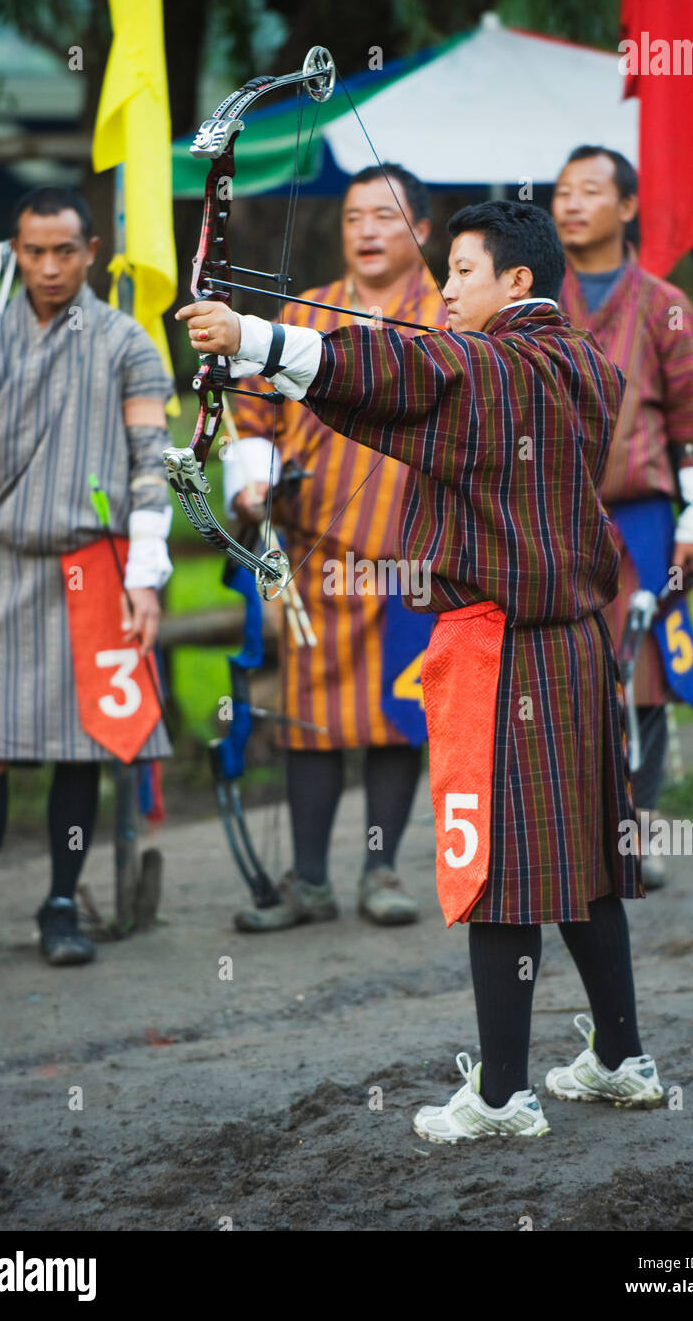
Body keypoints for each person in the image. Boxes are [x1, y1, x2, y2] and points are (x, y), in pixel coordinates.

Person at [175, 200, 666, 1144]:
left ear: (517, 283)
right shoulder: (585, 368)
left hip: (509, 650)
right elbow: (413, 382)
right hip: (568, 646)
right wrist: (265, 356)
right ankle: (619, 1058)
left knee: (501, 868)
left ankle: (500, 1097)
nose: (443, 292)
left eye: (463, 274)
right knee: (584, 863)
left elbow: (396, 367)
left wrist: (254, 337)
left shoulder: (495, 368)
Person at [0, 187, 173, 972]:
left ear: (92, 251)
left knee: (80, 748)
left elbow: (151, 465)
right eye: (34, 251)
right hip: (4, 559)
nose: (49, 267)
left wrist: (145, 575)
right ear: (15, 250)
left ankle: (60, 907)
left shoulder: (125, 342)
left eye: (64, 251)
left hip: (92, 566)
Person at [223, 165, 446, 932]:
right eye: (354, 216)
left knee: (398, 716)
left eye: (385, 215)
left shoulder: (446, 322)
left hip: (414, 563)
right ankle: (309, 881)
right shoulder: (301, 314)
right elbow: (250, 417)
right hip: (316, 558)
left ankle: (380, 872)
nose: (367, 230)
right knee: (310, 719)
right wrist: (252, 487)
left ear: (420, 226)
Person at [552, 146, 693, 888]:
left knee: (643, 672)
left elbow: (690, 415)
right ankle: (570, 836)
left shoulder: (663, 303)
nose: (569, 204)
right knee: (562, 670)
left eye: (589, 191)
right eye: (561, 192)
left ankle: (639, 834)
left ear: (626, 208)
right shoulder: (533, 295)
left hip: (645, 517)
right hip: (554, 518)